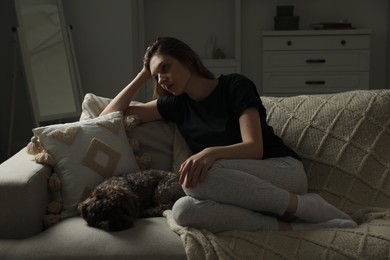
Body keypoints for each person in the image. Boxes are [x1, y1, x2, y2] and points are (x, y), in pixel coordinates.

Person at [100, 37, 357, 233]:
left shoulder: (234, 85)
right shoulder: (176, 105)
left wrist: (210, 153)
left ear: (188, 59)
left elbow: (254, 147)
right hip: (234, 187)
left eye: (166, 67)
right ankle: (293, 228)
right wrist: (143, 74)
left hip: (281, 171)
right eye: (157, 76)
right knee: (182, 210)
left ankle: (306, 206)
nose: (162, 79)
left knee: (195, 178)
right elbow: (108, 117)